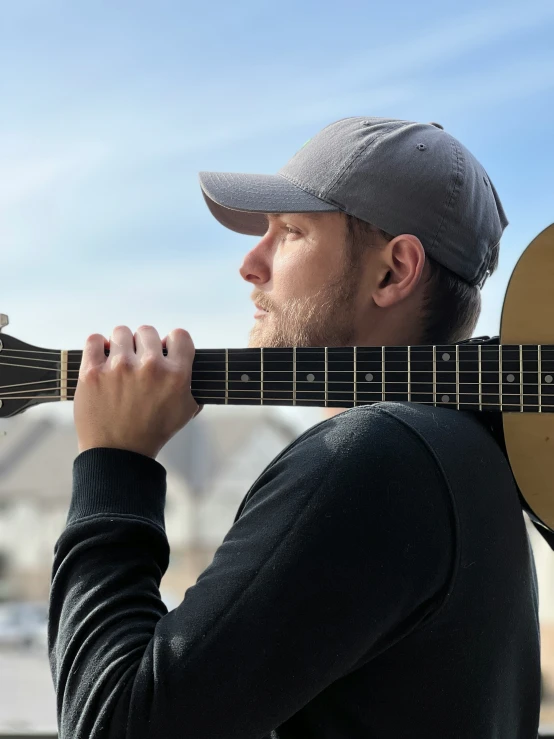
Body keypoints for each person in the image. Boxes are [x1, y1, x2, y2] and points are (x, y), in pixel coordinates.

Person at [48, 117, 540, 738]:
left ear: (393, 271)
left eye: (289, 232)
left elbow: (112, 725)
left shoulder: (371, 458)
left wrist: (114, 467)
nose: (250, 264)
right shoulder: (469, 451)